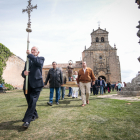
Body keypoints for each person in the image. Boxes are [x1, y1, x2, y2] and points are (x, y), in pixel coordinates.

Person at [21, 46, 45, 128]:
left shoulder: (41, 59)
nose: (32, 51)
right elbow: (23, 72)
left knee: (32, 101)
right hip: (27, 85)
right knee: (30, 102)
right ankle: (35, 114)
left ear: (38, 52)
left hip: (37, 85)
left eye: (34, 50)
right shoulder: (27, 61)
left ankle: (27, 120)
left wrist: (30, 54)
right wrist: (24, 73)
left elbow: (38, 63)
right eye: (31, 50)